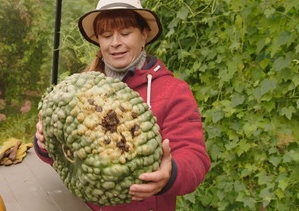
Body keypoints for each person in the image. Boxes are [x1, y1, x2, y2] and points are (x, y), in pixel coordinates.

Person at [34, 0, 211, 210]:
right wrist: (45, 143)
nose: (115, 42)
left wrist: (169, 174)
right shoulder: (82, 90)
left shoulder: (172, 91)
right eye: (106, 36)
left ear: (144, 35)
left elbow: (195, 158)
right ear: (98, 40)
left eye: (125, 33)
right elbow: (66, 157)